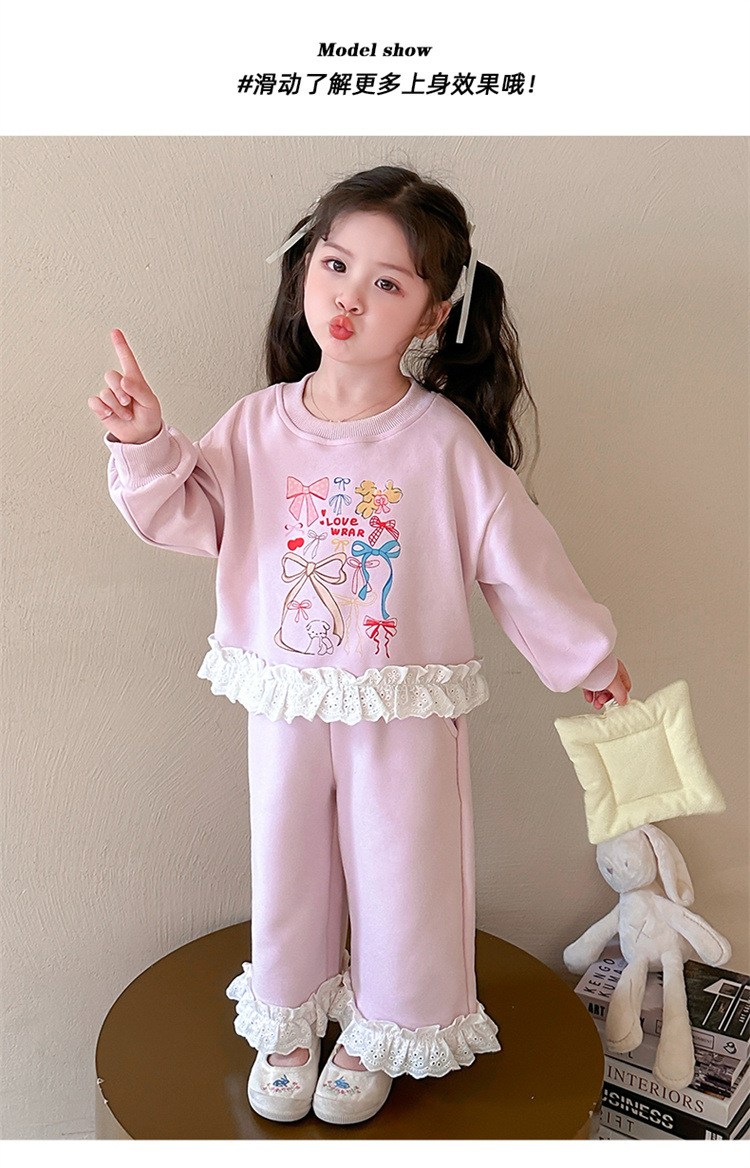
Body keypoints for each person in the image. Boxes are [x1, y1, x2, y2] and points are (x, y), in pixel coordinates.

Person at [89, 165, 631, 1126]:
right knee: (287, 858)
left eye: (388, 282)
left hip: (402, 702)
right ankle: (290, 1019)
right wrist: (145, 442)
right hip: (286, 696)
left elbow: (518, 559)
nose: (349, 297)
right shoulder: (256, 424)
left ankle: (387, 1027)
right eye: (335, 265)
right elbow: (192, 516)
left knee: (404, 866)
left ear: (434, 314)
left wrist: (588, 661)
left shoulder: (443, 442)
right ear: (304, 269)